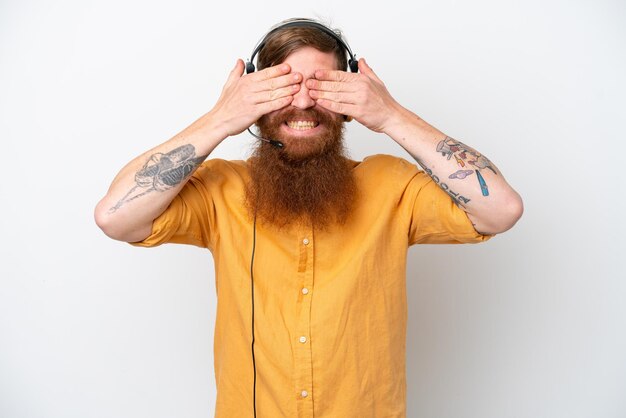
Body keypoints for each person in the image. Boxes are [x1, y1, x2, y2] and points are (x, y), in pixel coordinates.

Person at [95, 17, 522, 418]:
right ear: (253, 97)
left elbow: (500, 209)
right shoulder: (219, 189)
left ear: (350, 99)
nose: (302, 103)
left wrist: (391, 114)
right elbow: (116, 217)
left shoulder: (391, 185)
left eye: (322, 87)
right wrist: (220, 118)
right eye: (282, 87)